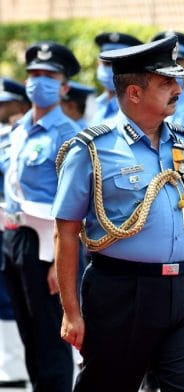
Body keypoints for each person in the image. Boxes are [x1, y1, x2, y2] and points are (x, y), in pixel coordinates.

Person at [53, 36, 184, 392]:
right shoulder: (92, 149)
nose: (178, 88)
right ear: (135, 93)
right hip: (124, 293)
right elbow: (66, 231)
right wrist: (71, 310)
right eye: (166, 82)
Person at [1, 41, 80, 392]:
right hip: (15, 238)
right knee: (29, 335)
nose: (39, 81)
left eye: (49, 76)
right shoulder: (19, 132)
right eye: (34, 74)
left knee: (51, 340)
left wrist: (59, 264)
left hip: (48, 244)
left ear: (64, 87)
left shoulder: (68, 136)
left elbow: (76, 206)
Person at [0, 77, 30, 387]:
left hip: (24, 228)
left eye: (4, 103)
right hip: (7, 227)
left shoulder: (18, 137)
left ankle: (14, 368)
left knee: (13, 298)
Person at [91, 32, 142, 126]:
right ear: (98, 64)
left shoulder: (140, 108)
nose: (112, 69)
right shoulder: (92, 105)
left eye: (118, 65)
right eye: (106, 63)